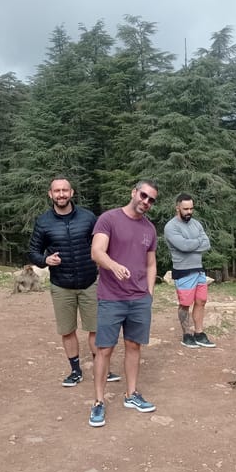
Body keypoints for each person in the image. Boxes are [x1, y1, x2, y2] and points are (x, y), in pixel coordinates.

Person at [27, 178, 121, 387]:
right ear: (50, 194)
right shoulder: (43, 222)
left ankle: (101, 368)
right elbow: (33, 251)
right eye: (57, 191)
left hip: (90, 282)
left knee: (96, 329)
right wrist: (45, 260)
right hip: (61, 285)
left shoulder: (88, 218)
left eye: (65, 190)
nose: (61, 194)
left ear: (72, 192)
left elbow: (102, 244)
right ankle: (75, 371)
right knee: (67, 330)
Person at [88, 180, 159, 427]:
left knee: (133, 346)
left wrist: (149, 294)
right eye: (144, 195)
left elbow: (151, 264)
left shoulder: (149, 229)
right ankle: (98, 402)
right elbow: (96, 251)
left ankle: (131, 394)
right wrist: (114, 265)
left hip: (139, 299)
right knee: (104, 349)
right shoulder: (108, 219)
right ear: (133, 192)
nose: (146, 202)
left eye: (151, 200)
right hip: (111, 297)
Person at [164, 193, 215, 348]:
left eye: (191, 208)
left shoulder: (196, 224)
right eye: (185, 209)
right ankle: (186, 335)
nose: (189, 212)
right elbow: (183, 247)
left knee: (201, 301)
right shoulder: (171, 227)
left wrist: (191, 244)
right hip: (183, 270)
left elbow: (207, 244)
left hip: (199, 269)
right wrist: (195, 243)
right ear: (177, 207)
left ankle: (199, 333)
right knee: (185, 304)